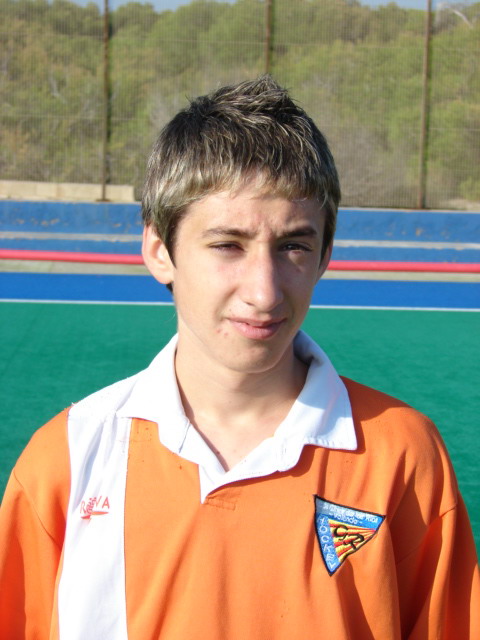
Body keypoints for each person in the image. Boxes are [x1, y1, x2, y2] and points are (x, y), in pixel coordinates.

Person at [0, 76, 478, 639]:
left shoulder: (403, 454)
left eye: (293, 246)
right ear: (159, 251)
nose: (264, 291)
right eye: (228, 245)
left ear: (326, 253)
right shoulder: (70, 457)